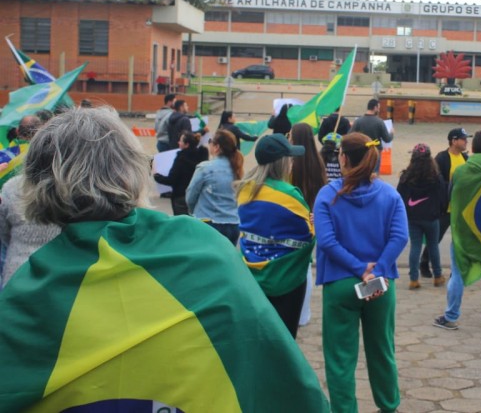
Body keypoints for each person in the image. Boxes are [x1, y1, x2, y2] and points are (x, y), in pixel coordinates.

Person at [0, 107, 329, 412]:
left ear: (40, 184)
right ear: (131, 173)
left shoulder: (20, 301)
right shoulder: (204, 251)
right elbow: (279, 372)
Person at [313, 132, 408, 413]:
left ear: (343, 157)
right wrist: (375, 271)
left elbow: (327, 241)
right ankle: (388, 406)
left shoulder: (328, 194)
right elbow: (399, 236)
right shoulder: (390, 194)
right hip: (379, 285)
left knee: (340, 357)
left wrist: (358, 269)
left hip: (340, 283)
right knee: (382, 350)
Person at [237, 134, 314, 339]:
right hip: (288, 278)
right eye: (289, 158)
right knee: (285, 339)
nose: (292, 163)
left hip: (253, 275)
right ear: (281, 162)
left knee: (260, 336)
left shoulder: (245, 190)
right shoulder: (289, 194)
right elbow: (308, 234)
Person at [433, 130, 481, 330]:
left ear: (473, 149)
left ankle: (451, 316)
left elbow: (451, 196)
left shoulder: (462, 171)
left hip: (463, 230)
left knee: (457, 272)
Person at [0, 117, 60, 287]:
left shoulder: (6, 160)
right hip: (55, 282)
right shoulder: (75, 189)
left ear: (18, 131)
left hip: (14, 281)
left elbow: (4, 238)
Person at [289, 122, 328, 328]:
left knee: (296, 266)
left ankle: (296, 313)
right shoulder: (317, 162)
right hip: (313, 218)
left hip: (293, 218)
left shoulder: (290, 164)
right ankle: (304, 314)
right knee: (306, 266)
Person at [420, 127, 470, 278]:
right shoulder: (441, 158)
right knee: (435, 238)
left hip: (460, 207)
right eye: (463, 139)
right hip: (444, 208)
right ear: (454, 141)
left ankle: (456, 270)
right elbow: (434, 180)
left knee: (459, 241)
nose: (466, 142)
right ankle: (424, 262)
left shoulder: (466, 159)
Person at [397, 143, 448, 289]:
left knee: (415, 247)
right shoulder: (436, 177)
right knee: (433, 246)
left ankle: (414, 279)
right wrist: (440, 211)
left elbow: (399, 197)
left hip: (412, 218)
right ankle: (437, 276)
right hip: (432, 217)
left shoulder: (406, 177)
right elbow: (442, 197)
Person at [186, 129, 243, 244]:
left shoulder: (205, 168)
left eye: (210, 141)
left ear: (217, 147)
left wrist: (194, 212)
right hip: (233, 224)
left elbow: (190, 196)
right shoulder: (237, 169)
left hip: (209, 223)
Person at [153, 131, 209, 215]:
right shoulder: (202, 156)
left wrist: (156, 176)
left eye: (181, 141)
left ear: (186, 144)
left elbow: (171, 179)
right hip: (197, 195)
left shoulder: (181, 158)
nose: (178, 142)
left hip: (181, 195)